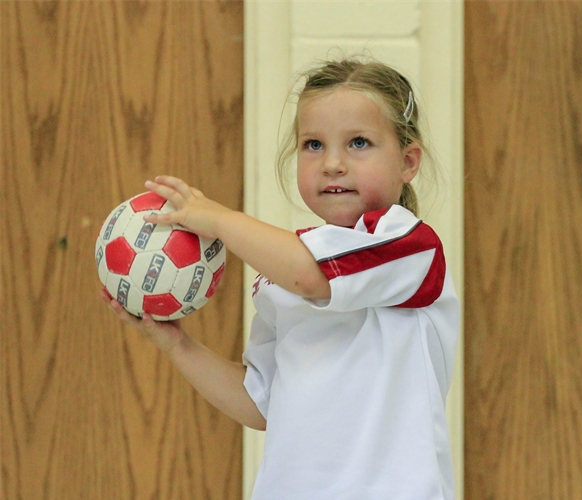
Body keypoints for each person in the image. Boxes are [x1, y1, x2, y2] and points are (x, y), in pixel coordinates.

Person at [101, 59, 459, 499]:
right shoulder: (279, 275)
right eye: (313, 145)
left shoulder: (406, 244)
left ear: (407, 162)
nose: (332, 163)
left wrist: (221, 220)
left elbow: (312, 277)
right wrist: (176, 344)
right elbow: (259, 401)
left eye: (359, 142)